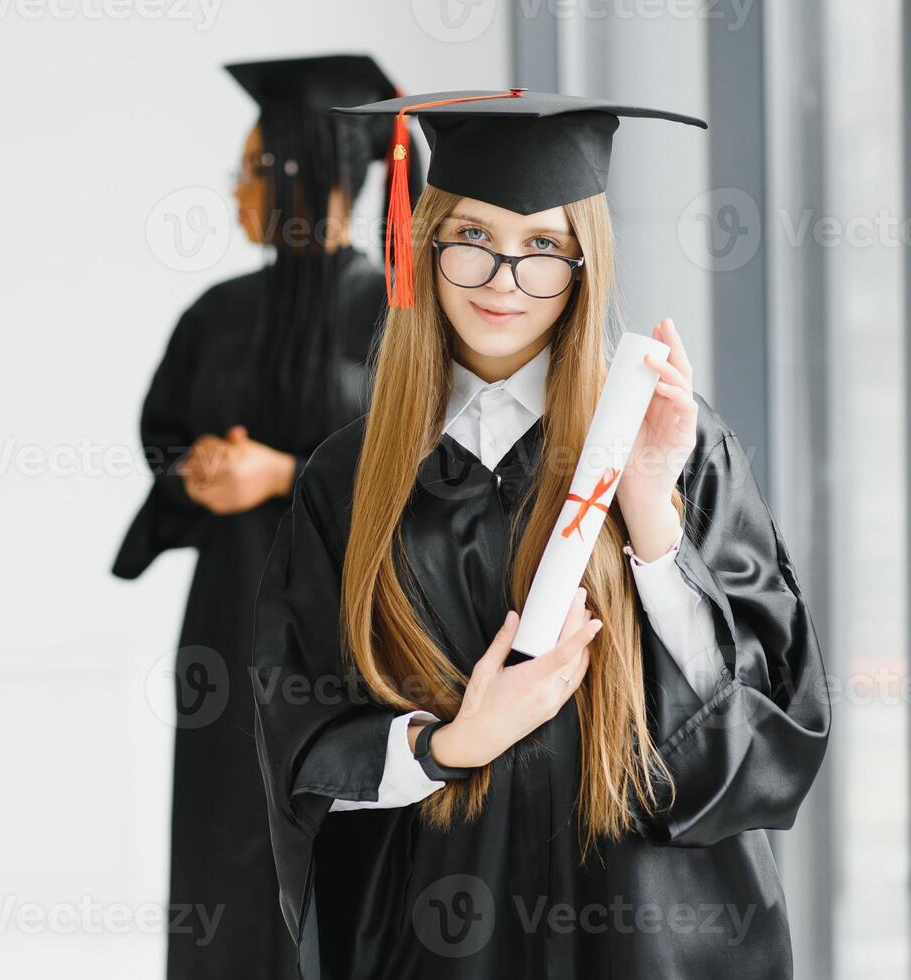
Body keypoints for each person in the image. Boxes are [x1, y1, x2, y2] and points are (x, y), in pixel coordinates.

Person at [251, 90, 831, 979]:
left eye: (543, 250)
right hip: (439, 931)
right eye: (473, 239)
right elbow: (298, 724)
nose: (503, 282)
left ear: (583, 265)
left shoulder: (673, 440)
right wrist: (449, 747)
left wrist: (649, 515)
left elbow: (766, 709)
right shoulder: (350, 477)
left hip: (649, 927)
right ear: (425, 243)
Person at [111, 54, 416, 980]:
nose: (238, 187)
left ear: (299, 168)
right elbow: (162, 434)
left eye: (252, 166)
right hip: (230, 615)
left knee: (329, 831)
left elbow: (423, 475)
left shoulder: (394, 314)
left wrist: (284, 471)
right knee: (222, 834)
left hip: (346, 632)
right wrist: (198, 470)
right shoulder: (218, 312)